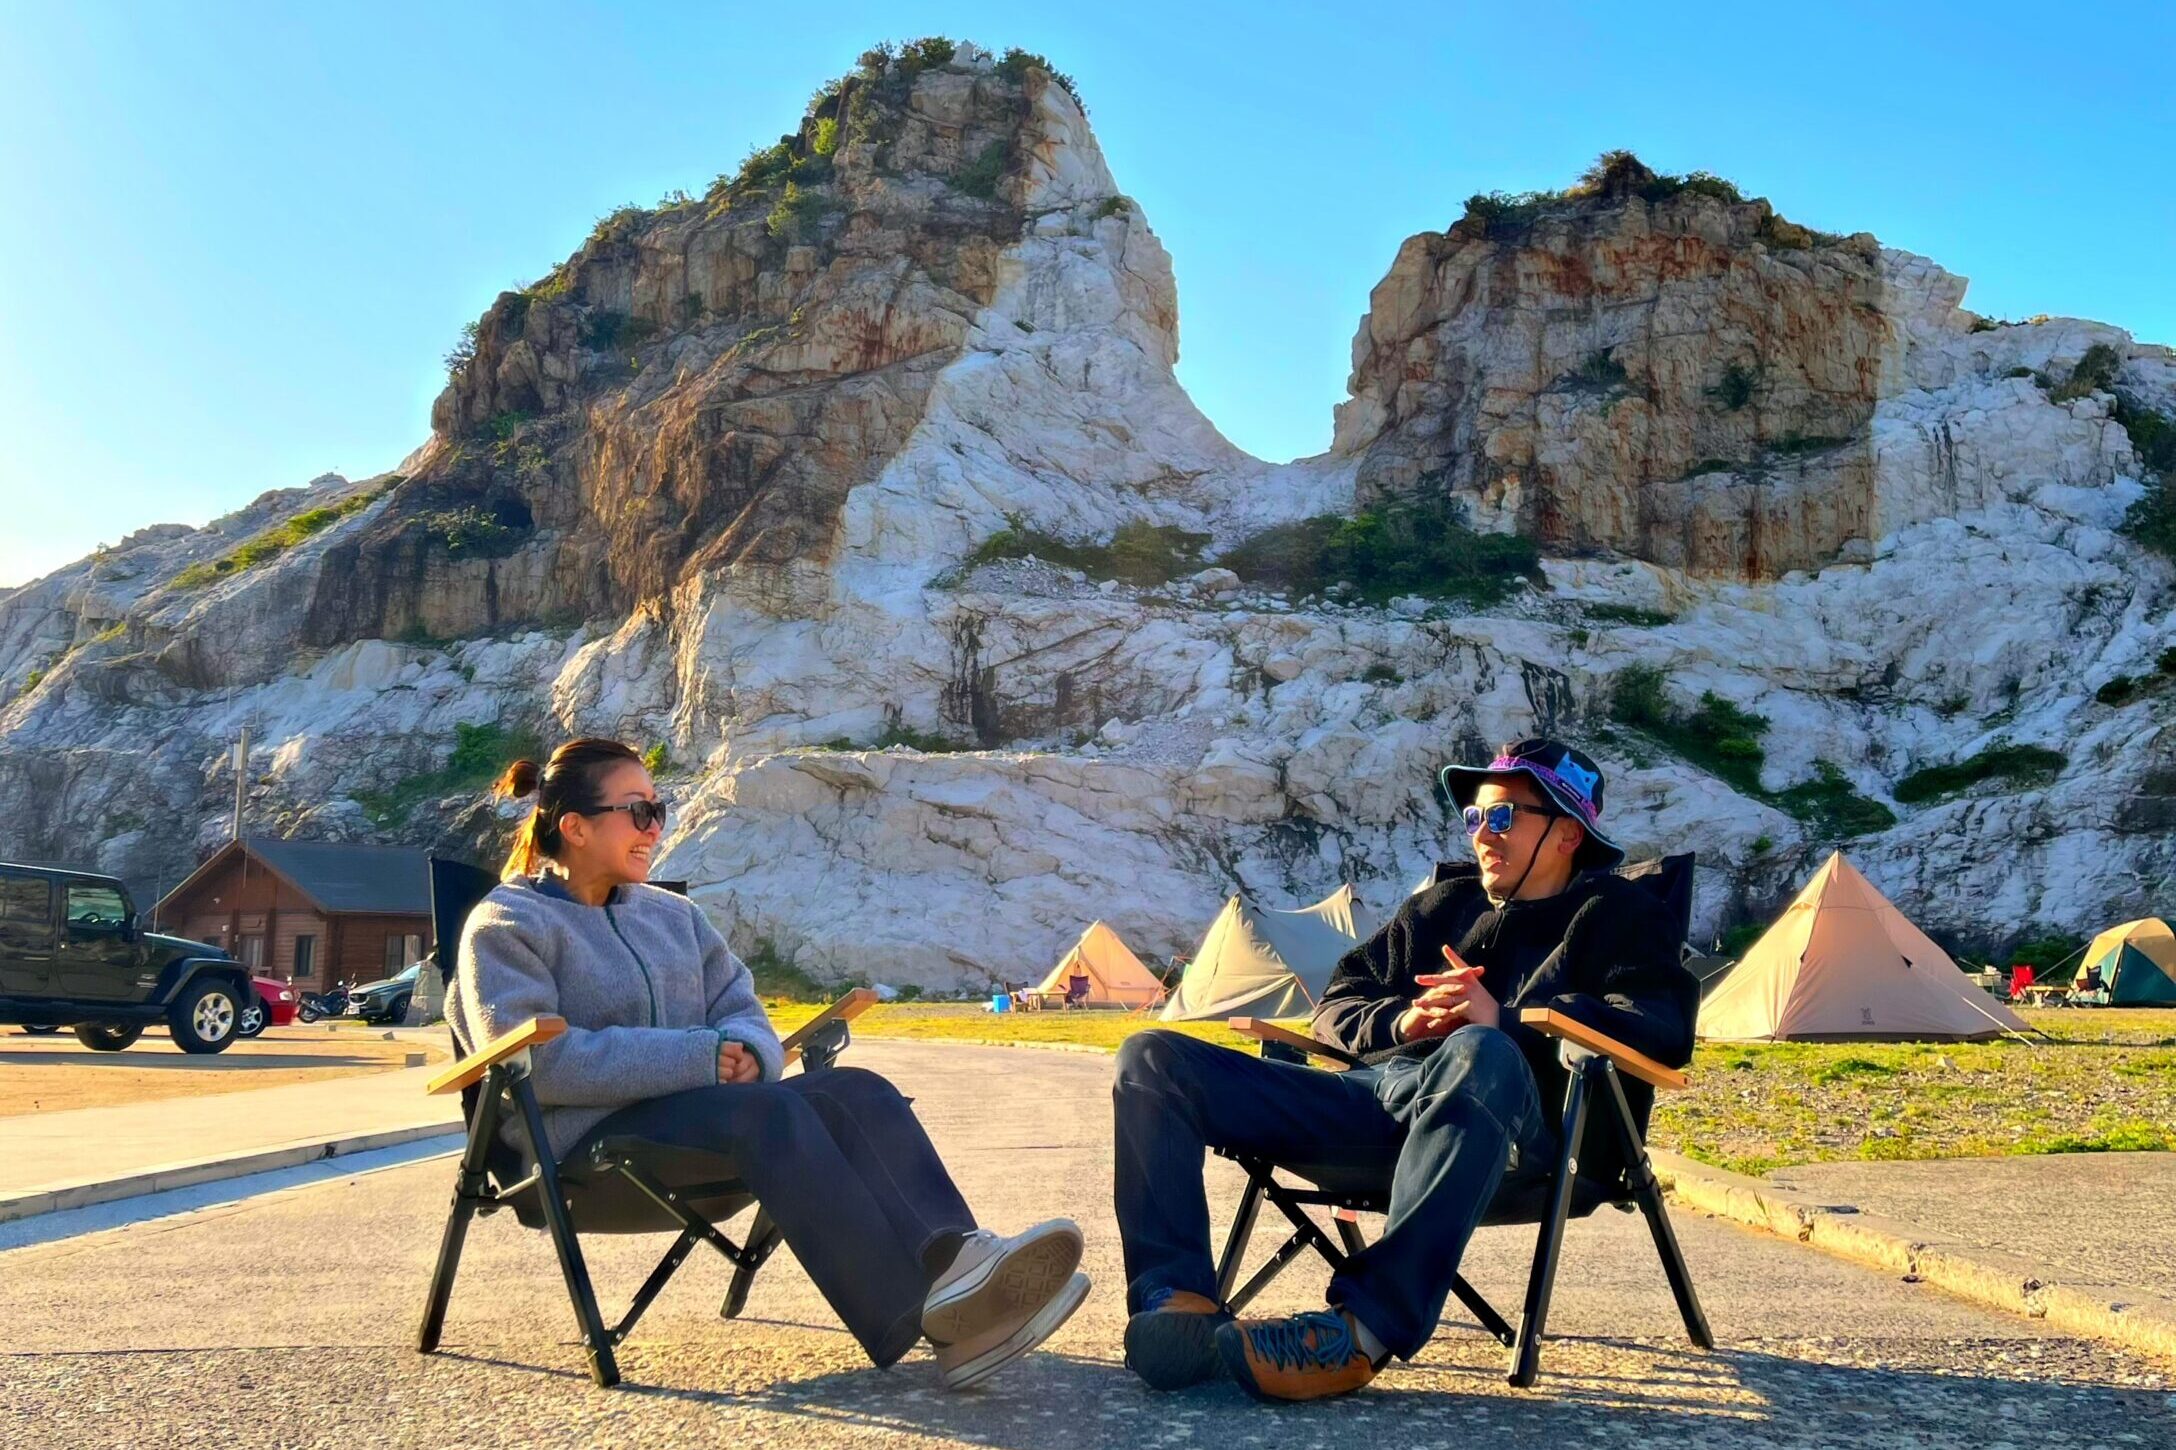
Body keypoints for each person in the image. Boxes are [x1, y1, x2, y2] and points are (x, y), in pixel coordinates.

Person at [447, 737, 1088, 1389]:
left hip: (702, 1130)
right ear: (575, 827)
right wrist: (702, 1057)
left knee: (857, 1091)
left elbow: (741, 1009)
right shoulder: (507, 924)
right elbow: (541, 1062)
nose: (655, 827)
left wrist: (750, 1053)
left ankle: (960, 1262)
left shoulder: (676, 917)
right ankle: (937, 1322)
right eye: (638, 811)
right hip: (584, 1157)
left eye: (659, 810)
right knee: (768, 1115)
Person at [1111, 737, 1696, 1402]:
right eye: (1475, 817)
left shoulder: (1620, 917)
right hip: (1373, 1104)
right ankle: (1178, 1303)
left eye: (1502, 816)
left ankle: (1359, 1335)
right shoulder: (1439, 908)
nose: (1483, 834)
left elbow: (1660, 1027)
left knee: (1481, 1053)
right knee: (1153, 1059)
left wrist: (1503, 1020)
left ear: (1566, 834)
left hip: (1508, 1130)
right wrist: (1405, 1023)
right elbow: (1336, 1005)